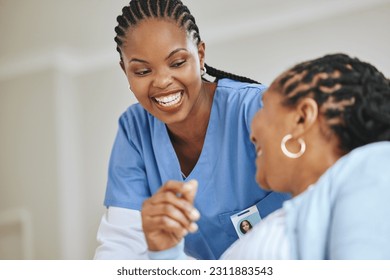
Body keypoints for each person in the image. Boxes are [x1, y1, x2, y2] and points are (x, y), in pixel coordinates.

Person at [142, 53, 390, 260]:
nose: (252, 131)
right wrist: (165, 252)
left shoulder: (370, 168)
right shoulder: (294, 216)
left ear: (302, 117)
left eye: (266, 107)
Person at [94, 0, 289, 260]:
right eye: (142, 70)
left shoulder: (257, 110)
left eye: (177, 63)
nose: (162, 81)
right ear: (125, 72)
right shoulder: (134, 133)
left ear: (200, 55)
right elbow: (118, 252)